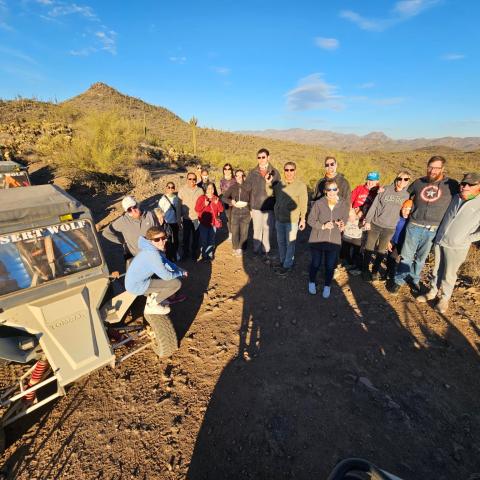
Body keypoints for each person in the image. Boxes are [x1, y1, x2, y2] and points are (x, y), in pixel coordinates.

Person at [387, 156, 459, 294]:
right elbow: (403, 192)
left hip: (433, 229)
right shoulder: (419, 182)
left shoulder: (451, 184)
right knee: (406, 256)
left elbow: (461, 198)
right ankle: (399, 280)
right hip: (414, 225)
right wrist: (387, 191)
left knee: (421, 258)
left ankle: (413, 279)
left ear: (442, 169)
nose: (432, 170)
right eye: (430, 167)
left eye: (436, 168)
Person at [416, 173, 480, 313]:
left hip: (458, 246)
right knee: (436, 269)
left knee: (449, 273)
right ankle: (432, 292)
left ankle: (444, 299)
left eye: (471, 184)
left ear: (478, 186)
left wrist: (466, 239)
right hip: (440, 240)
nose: (465, 187)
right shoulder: (456, 197)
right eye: (464, 184)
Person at [125, 227, 188, 315]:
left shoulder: (149, 249)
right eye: (157, 239)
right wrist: (180, 273)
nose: (162, 242)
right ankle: (152, 306)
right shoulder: (153, 254)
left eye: (163, 238)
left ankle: (156, 297)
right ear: (150, 240)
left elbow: (166, 262)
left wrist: (178, 269)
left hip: (136, 281)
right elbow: (166, 276)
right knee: (176, 284)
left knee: (172, 276)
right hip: (137, 286)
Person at [361, 171, 411, 280]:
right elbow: (374, 206)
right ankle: (364, 270)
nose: (402, 181)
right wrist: (368, 221)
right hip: (375, 224)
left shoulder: (406, 195)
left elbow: (406, 210)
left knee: (381, 251)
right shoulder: (385, 190)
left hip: (390, 228)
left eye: (406, 179)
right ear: (396, 179)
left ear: (408, 181)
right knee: (369, 249)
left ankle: (375, 271)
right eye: (400, 178)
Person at [307, 179, 349, 298]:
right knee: (315, 263)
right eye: (329, 189)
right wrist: (323, 226)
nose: (332, 192)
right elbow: (310, 220)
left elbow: (344, 218)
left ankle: (327, 286)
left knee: (330, 266)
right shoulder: (319, 203)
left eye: (334, 189)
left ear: (338, 190)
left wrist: (342, 223)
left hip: (333, 241)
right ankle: (311, 282)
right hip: (317, 239)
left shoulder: (343, 204)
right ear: (325, 191)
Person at [266, 161, 308, 274]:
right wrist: (268, 183)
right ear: (284, 171)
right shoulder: (279, 184)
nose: (289, 172)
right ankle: (283, 260)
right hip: (279, 219)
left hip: (292, 220)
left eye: (291, 170)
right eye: (286, 170)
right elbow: (269, 193)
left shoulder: (300, 186)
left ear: (295, 171)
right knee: (281, 242)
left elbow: (303, 204)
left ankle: (287, 264)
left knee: (290, 243)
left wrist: (303, 219)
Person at [244, 148, 280, 260]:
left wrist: (271, 182)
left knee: (268, 229)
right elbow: (247, 189)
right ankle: (256, 249)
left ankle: (266, 250)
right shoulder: (252, 172)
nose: (261, 159)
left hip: (270, 206)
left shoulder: (275, 172)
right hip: (255, 206)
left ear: (268, 157)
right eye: (259, 157)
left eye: (263, 157)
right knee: (257, 228)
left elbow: (278, 190)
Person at [223, 169, 251, 256]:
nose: (239, 177)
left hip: (246, 211)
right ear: (235, 177)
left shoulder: (249, 187)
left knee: (244, 231)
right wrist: (231, 202)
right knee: (234, 231)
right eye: (237, 175)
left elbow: (253, 199)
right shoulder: (232, 187)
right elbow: (223, 197)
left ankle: (240, 248)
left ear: (244, 177)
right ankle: (235, 247)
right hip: (235, 212)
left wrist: (251, 209)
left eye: (241, 175)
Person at [195, 182, 224, 261]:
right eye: (208, 188)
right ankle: (204, 255)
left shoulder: (216, 198)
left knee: (211, 240)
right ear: (205, 190)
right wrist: (204, 204)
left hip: (213, 224)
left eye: (212, 188)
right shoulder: (201, 198)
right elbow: (197, 209)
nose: (210, 190)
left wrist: (217, 203)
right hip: (203, 224)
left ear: (214, 189)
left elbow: (221, 210)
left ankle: (210, 255)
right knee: (204, 240)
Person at [178, 173, 203, 261]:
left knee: (196, 237)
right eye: (190, 179)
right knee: (186, 237)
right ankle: (185, 253)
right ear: (187, 179)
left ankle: (194, 253)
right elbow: (178, 206)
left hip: (196, 218)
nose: (192, 181)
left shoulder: (200, 190)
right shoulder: (182, 190)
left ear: (196, 180)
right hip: (186, 218)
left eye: (194, 179)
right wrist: (178, 218)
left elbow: (203, 204)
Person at [386, 199, 413, 282]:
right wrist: (388, 241)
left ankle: (397, 276)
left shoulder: (412, 221)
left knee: (399, 260)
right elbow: (390, 229)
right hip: (394, 241)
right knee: (390, 259)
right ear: (401, 208)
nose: (406, 212)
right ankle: (388, 273)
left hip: (404, 243)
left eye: (409, 210)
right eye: (404, 209)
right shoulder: (397, 218)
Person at [158, 181, 182, 261]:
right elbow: (159, 211)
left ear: (174, 189)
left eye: (172, 187)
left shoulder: (176, 198)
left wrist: (179, 221)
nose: (170, 189)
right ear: (166, 188)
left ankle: (175, 253)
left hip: (175, 222)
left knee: (176, 239)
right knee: (167, 240)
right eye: (169, 187)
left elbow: (179, 210)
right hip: (166, 223)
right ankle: (168, 255)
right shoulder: (162, 199)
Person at [340, 208, 363, 275]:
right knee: (345, 250)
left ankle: (355, 266)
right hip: (347, 233)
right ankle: (350, 263)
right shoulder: (348, 207)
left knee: (356, 252)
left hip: (357, 235)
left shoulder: (363, 210)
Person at [219, 163, 237, 240]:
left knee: (235, 218)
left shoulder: (235, 180)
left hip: (234, 201)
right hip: (226, 202)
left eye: (229, 169)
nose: (227, 170)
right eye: (225, 169)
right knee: (228, 218)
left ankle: (236, 233)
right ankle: (230, 233)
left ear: (231, 170)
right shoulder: (222, 180)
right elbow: (222, 191)